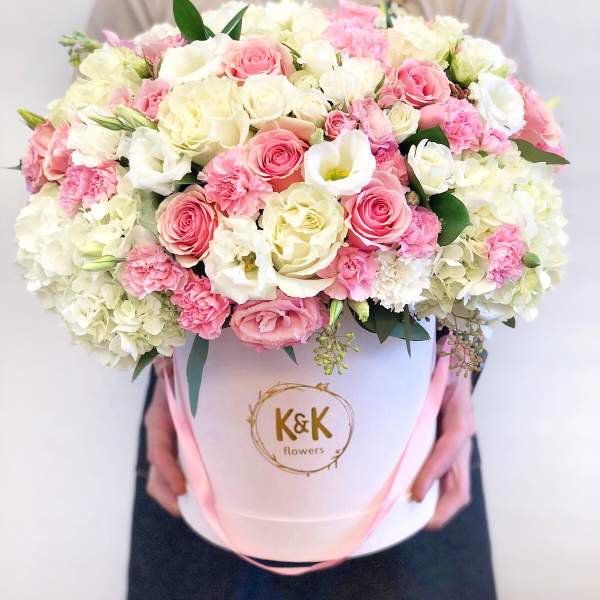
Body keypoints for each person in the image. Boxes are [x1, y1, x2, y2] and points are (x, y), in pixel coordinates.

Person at [86, 2, 529, 598]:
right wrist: (165, 372)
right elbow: (105, 199)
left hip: (410, 416)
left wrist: (460, 377)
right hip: (210, 417)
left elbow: (503, 207)